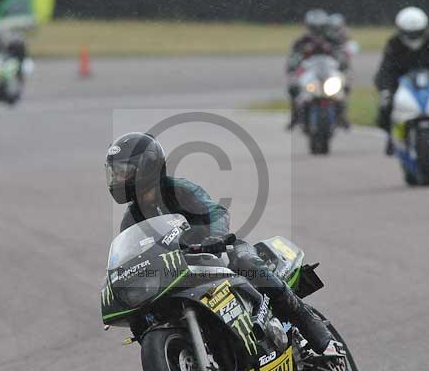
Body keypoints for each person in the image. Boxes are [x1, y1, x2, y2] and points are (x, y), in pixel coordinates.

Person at [105, 132, 338, 355]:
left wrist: (215, 238)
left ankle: (316, 331)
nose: (116, 179)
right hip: (180, 270)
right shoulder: (130, 219)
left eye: (122, 172)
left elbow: (216, 212)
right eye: (113, 173)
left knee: (246, 261)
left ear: (147, 167)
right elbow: (133, 253)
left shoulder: (179, 190)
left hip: (217, 251)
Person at [375, 6, 429, 155]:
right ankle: (390, 136)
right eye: (409, 33)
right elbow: (385, 70)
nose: (413, 38)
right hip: (401, 81)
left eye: (417, 33)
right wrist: (385, 89)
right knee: (385, 108)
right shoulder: (394, 44)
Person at [286, 9, 335, 130]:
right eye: (314, 27)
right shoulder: (301, 41)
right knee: (293, 88)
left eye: (320, 27)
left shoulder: (332, 40)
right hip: (309, 72)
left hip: (328, 71)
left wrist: (342, 61)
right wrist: (293, 66)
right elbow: (292, 57)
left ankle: (342, 115)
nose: (317, 31)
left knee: (344, 86)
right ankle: (295, 116)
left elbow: (342, 55)